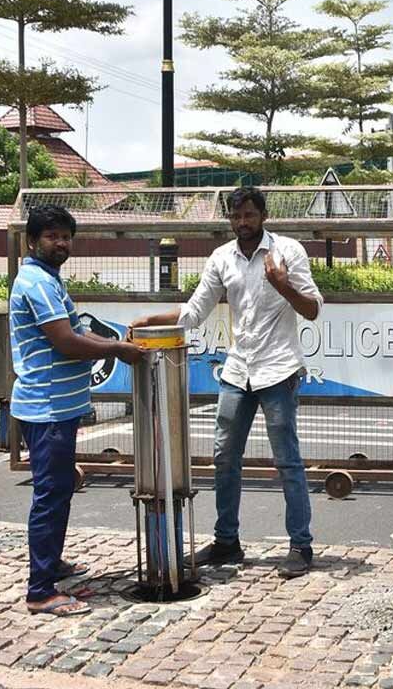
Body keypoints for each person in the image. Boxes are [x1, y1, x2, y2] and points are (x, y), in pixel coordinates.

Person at [130, 186, 323, 579]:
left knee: (287, 460)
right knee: (223, 458)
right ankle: (226, 542)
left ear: (264, 215)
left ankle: (300, 546)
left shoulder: (288, 252)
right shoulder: (222, 258)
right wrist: (151, 321)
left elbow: (313, 309)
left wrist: (282, 283)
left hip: (279, 370)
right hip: (238, 370)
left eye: (249, 215)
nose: (242, 223)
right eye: (236, 217)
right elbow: (196, 310)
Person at [10, 204, 147, 617]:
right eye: (51, 236)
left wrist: (113, 336)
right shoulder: (35, 283)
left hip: (60, 407)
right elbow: (66, 342)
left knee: (60, 489)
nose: (61, 243)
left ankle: (51, 565)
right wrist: (118, 349)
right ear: (32, 241)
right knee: (50, 495)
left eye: (66, 236)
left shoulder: (49, 280)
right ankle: (40, 591)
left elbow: (76, 330)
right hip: (46, 408)